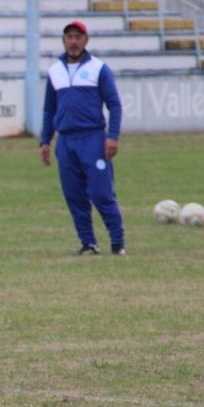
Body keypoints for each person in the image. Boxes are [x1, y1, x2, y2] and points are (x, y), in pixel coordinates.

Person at [40, 20, 126, 256]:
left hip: (93, 139)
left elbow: (114, 104)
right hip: (66, 142)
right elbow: (49, 109)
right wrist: (45, 141)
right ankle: (88, 243)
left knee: (101, 193)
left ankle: (117, 241)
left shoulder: (99, 69)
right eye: (69, 37)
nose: (73, 42)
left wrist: (112, 136)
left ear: (86, 40)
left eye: (78, 37)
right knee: (74, 195)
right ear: (64, 40)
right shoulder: (55, 71)